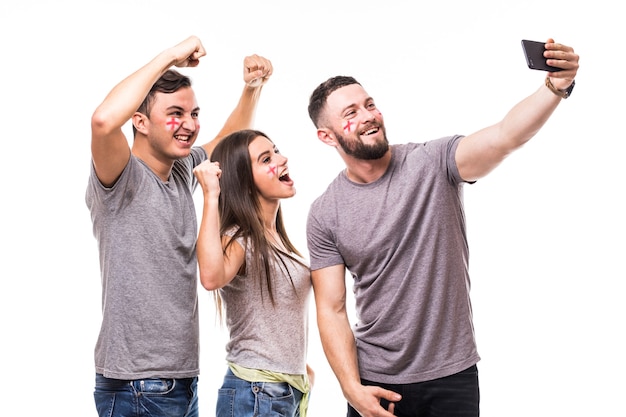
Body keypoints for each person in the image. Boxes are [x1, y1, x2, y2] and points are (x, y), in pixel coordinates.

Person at [305, 38, 579, 417]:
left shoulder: (432, 162)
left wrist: (555, 87)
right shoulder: (324, 213)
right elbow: (332, 308)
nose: (368, 115)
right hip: (377, 383)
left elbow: (505, 137)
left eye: (370, 104)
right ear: (327, 135)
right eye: (351, 112)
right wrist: (352, 388)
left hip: (452, 376)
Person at [86, 35, 273, 417]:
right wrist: (170, 56)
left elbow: (227, 140)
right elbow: (103, 121)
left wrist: (252, 89)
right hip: (136, 385)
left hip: (181, 381)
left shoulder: (182, 169)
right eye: (176, 114)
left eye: (194, 114)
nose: (189, 125)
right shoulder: (122, 178)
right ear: (138, 121)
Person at [193, 129, 314, 417]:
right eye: (266, 158)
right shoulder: (239, 240)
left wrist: (300, 369)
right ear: (245, 182)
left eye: (276, 150)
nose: (282, 159)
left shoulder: (277, 240)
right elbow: (211, 277)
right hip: (257, 392)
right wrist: (211, 195)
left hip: (282, 391)